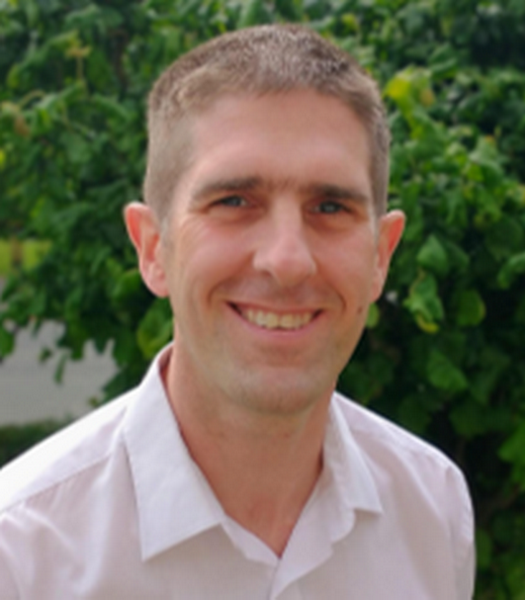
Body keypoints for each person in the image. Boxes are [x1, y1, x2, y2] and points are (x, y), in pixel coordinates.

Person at [0, 24, 474, 599]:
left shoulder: (433, 509)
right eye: (233, 201)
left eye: (330, 206)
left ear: (381, 255)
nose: (287, 261)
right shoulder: (21, 554)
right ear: (153, 249)